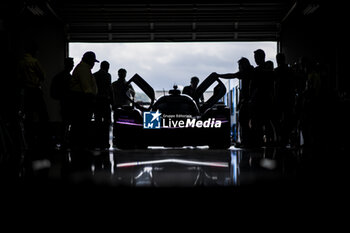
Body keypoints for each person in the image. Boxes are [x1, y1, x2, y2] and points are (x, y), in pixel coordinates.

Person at [17, 41, 49, 154]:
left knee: (28, 115)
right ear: (34, 51)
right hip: (35, 90)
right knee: (43, 115)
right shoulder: (34, 61)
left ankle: (29, 139)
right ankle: (43, 139)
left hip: (26, 91)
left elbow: (19, 77)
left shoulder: (21, 62)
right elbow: (43, 75)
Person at [215, 57, 254, 147]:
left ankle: (246, 142)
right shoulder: (251, 71)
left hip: (247, 102)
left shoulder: (246, 73)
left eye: (239, 66)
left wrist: (219, 75)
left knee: (244, 122)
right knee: (247, 122)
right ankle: (247, 141)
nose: (239, 68)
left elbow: (231, 75)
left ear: (243, 65)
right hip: (249, 101)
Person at [69, 51, 99, 149]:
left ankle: (78, 144)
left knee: (79, 123)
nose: (94, 64)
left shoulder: (82, 68)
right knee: (82, 123)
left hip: (80, 99)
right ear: (89, 60)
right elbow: (87, 87)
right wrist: (92, 99)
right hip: (82, 100)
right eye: (93, 61)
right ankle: (80, 145)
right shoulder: (84, 69)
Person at [50, 57, 74, 148]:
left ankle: (63, 139)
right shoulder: (68, 77)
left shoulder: (59, 76)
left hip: (63, 101)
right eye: (72, 64)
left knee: (65, 121)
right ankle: (65, 139)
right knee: (67, 121)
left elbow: (53, 92)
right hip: (68, 102)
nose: (72, 66)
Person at [93, 61, 112, 149]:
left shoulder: (95, 75)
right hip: (105, 101)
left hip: (96, 101)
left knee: (97, 122)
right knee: (106, 122)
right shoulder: (108, 76)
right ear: (107, 67)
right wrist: (113, 102)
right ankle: (105, 142)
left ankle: (97, 142)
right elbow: (110, 89)